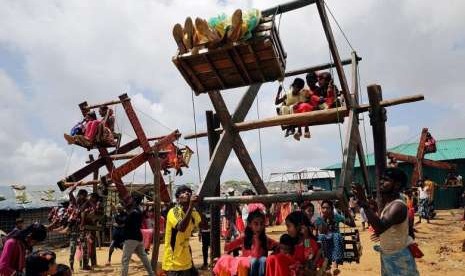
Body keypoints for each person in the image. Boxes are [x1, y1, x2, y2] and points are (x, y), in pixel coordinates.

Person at [352, 167, 419, 276]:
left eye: (386, 180)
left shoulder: (397, 206)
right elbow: (385, 227)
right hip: (389, 255)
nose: (381, 182)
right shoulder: (390, 203)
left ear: (397, 184)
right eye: (381, 179)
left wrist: (364, 202)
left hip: (399, 258)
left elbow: (380, 227)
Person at [213, 209, 278, 276]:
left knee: (262, 260)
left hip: (261, 269)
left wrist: (272, 256)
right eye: (256, 224)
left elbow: (278, 246)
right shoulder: (244, 239)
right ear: (249, 224)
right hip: (246, 269)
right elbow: (228, 248)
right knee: (253, 261)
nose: (259, 227)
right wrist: (228, 238)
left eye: (261, 224)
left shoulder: (265, 239)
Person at [173, 9, 261, 54]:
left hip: (207, 43)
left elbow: (196, 51)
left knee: (201, 41)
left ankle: (188, 40)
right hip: (217, 41)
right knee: (228, 38)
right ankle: (233, 30)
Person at [162, 185, 201, 275]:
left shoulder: (193, 212)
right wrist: (191, 206)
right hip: (173, 264)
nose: (187, 193)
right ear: (178, 199)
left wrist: (198, 206)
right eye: (183, 192)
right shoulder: (174, 211)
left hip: (187, 262)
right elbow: (181, 228)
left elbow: (204, 225)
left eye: (188, 192)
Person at [314, 200, 355, 275]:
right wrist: (325, 221)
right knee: (321, 237)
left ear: (332, 208)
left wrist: (347, 212)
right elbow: (321, 231)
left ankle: (334, 265)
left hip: (335, 241)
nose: (325, 210)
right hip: (325, 243)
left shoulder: (337, 216)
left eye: (327, 208)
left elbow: (352, 224)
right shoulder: (319, 219)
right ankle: (325, 265)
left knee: (336, 236)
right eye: (323, 208)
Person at [120, 194, 154, 276]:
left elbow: (122, 221)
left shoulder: (133, 212)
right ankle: (151, 273)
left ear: (134, 201)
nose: (129, 200)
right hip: (138, 237)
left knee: (125, 259)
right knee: (144, 257)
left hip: (131, 238)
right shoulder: (138, 211)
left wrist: (117, 212)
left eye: (130, 199)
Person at [67, 183, 91, 271]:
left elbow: (92, 206)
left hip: (82, 229)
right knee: (73, 248)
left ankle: (85, 265)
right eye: (83, 195)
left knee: (85, 247)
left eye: (85, 196)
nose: (84, 197)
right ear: (80, 195)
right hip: (74, 229)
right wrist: (74, 187)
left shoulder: (86, 204)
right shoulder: (74, 203)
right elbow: (70, 194)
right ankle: (71, 266)